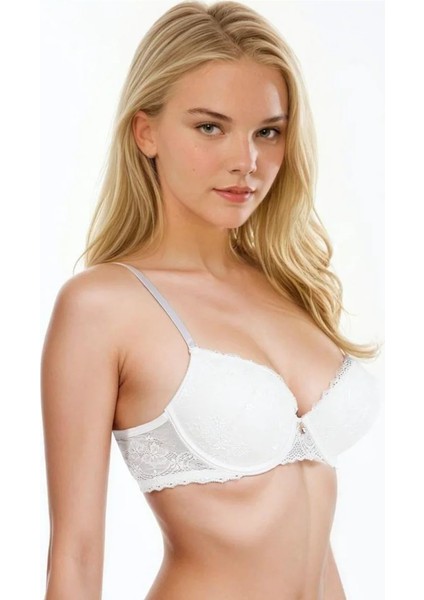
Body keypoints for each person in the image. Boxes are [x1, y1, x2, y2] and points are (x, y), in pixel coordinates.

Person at [41, 1, 382, 598]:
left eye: (267, 132)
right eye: (209, 127)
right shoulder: (103, 306)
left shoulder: (288, 285)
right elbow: (76, 552)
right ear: (146, 132)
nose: (245, 162)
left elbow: (308, 529)